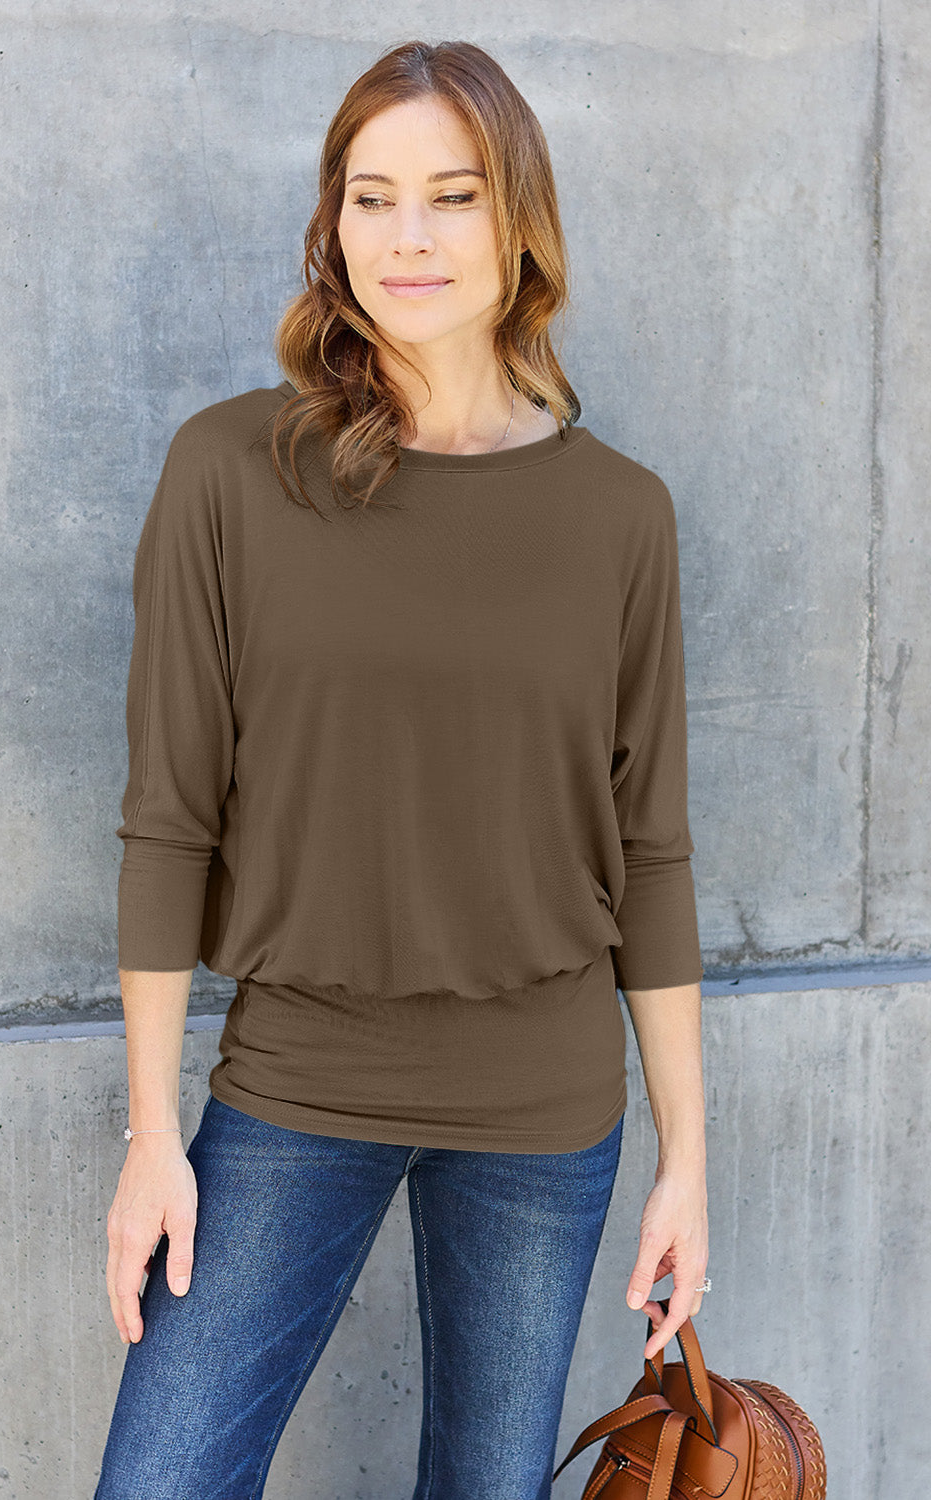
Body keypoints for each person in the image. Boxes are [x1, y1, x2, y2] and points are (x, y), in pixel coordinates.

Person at [94, 37, 709, 1500]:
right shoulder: (229, 474)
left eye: (452, 195)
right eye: (372, 198)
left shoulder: (621, 515)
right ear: (334, 225)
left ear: (519, 226)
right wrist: (148, 1139)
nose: (408, 237)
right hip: (298, 1078)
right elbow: (168, 822)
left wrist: (690, 1159)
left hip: (548, 1106)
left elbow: (653, 852)